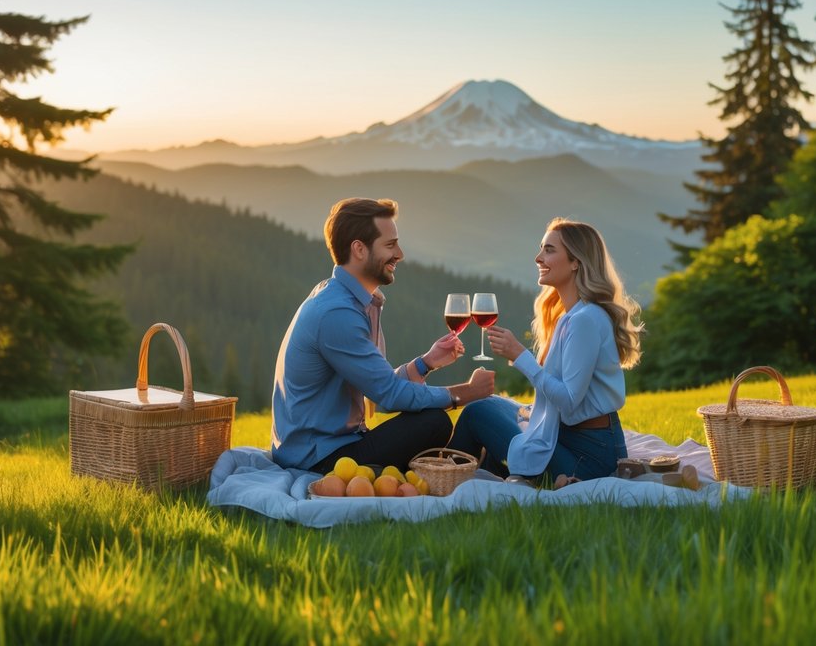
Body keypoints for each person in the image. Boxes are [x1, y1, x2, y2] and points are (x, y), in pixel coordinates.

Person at [271, 197, 497, 473]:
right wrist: (464, 393)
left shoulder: (355, 301)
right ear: (359, 249)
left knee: (432, 422)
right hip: (316, 459)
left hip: (334, 445)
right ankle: (471, 465)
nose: (399, 254)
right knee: (433, 423)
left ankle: (473, 464)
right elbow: (389, 396)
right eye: (390, 245)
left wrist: (426, 363)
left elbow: (378, 389)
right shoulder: (336, 313)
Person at [447, 218, 642, 482]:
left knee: (476, 413)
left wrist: (520, 357)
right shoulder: (572, 316)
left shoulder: (585, 320)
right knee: (489, 404)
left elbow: (570, 400)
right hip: (568, 437)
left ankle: (444, 483)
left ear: (576, 262)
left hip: (589, 457)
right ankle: (477, 475)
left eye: (549, 250)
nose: (538, 257)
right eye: (541, 248)